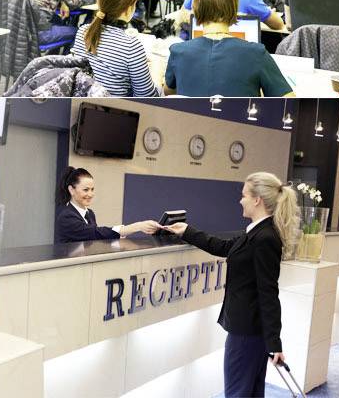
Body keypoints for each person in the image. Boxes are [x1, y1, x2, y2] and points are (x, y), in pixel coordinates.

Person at [164, 172, 298, 397]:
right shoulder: (256, 232)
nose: (240, 200)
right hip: (249, 330)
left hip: (247, 332)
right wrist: (186, 231)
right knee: (250, 392)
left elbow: (268, 293)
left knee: (238, 392)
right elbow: (223, 247)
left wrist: (274, 342)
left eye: (244, 195)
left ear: (257, 200)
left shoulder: (265, 238)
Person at [164, 0, 293, 97]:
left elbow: (169, 93)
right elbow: (288, 100)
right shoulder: (257, 54)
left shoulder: (178, 52)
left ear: (196, 10)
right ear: (234, 10)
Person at [72, 0, 161, 97]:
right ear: (129, 9)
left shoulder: (83, 31)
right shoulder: (131, 46)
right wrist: (157, 70)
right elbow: (148, 97)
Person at [54, 167, 160, 243]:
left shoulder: (90, 214)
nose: (90, 194)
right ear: (71, 190)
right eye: (86, 190)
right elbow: (95, 233)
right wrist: (137, 226)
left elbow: (94, 240)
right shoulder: (66, 216)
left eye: (92, 189)